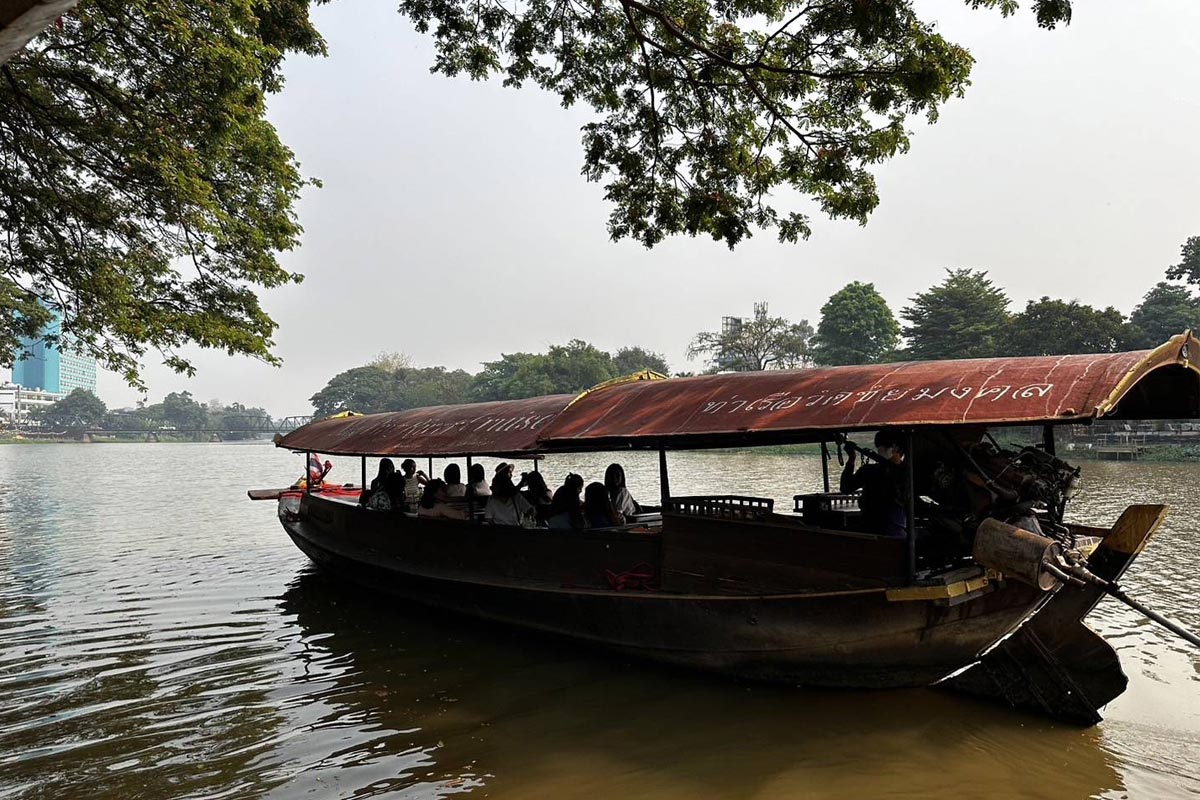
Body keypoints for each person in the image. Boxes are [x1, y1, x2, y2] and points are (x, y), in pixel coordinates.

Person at [840, 429, 909, 538]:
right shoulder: (869, 471)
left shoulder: (907, 473)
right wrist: (851, 459)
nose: (880, 449)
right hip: (871, 530)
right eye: (879, 446)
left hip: (894, 530)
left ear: (897, 448)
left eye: (884, 446)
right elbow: (846, 488)